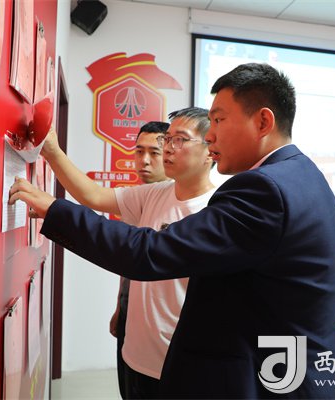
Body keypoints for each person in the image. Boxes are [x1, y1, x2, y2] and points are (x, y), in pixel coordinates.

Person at [10, 63, 335, 399]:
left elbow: (149, 252)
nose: (211, 135)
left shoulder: (264, 190)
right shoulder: (301, 175)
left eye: (219, 120)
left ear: (262, 122)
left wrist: (55, 211)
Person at [39, 108, 216, 399]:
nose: (168, 148)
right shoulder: (155, 193)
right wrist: (52, 152)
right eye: (168, 139)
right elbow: (94, 196)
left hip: (178, 363)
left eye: (180, 140)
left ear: (210, 149)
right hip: (135, 353)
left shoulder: (216, 211)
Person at [109, 121, 170, 399]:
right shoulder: (137, 199)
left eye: (154, 153)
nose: (144, 161)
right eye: (138, 151)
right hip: (131, 314)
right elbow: (130, 262)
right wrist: (120, 307)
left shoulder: (179, 200)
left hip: (160, 329)